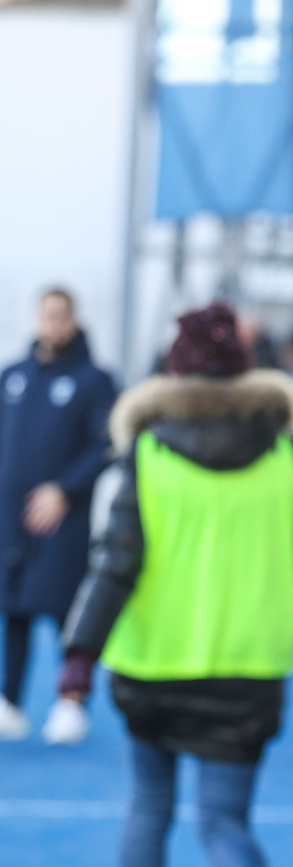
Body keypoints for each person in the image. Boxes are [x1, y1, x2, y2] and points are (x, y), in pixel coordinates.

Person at [57, 302, 293, 867]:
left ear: (174, 371)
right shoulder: (288, 451)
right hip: (251, 664)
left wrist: (79, 654)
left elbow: (114, 563)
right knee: (225, 820)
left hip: (154, 661)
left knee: (150, 808)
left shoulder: (148, 453)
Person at [0, 287, 116, 744]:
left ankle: (72, 701)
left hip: (63, 518)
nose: (52, 322)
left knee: (68, 613)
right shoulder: (14, 375)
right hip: (11, 517)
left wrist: (64, 491)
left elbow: (106, 443)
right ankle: (9, 700)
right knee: (14, 610)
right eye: (46, 314)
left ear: (73, 319)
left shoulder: (93, 379)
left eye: (60, 315)